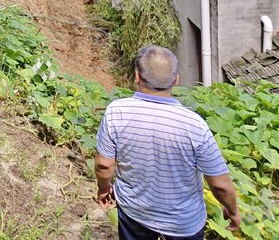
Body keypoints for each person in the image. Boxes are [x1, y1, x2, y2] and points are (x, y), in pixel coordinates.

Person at [94, 45, 241, 239]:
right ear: (176, 80)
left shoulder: (116, 112)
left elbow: (104, 165)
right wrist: (232, 210)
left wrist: (104, 188)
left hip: (135, 214)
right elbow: (220, 184)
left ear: (137, 76)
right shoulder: (195, 125)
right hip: (183, 223)